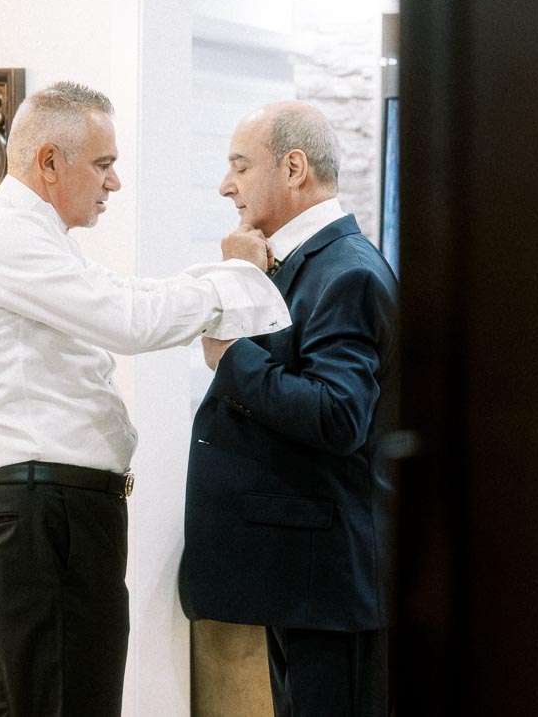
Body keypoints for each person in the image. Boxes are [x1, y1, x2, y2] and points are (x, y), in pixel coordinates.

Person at [0, 81, 290, 716]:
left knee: (40, 700)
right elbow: (127, 320)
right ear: (49, 162)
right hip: (47, 511)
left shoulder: (33, 236)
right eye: (103, 165)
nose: (114, 183)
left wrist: (215, 280)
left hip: (49, 508)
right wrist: (240, 281)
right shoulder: (4, 239)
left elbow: (120, 293)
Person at [180, 101, 399, 717]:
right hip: (302, 583)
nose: (226, 186)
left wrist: (232, 357)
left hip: (329, 587)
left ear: (294, 168)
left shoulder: (345, 273)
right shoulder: (303, 264)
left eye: (240, 167)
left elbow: (338, 415)